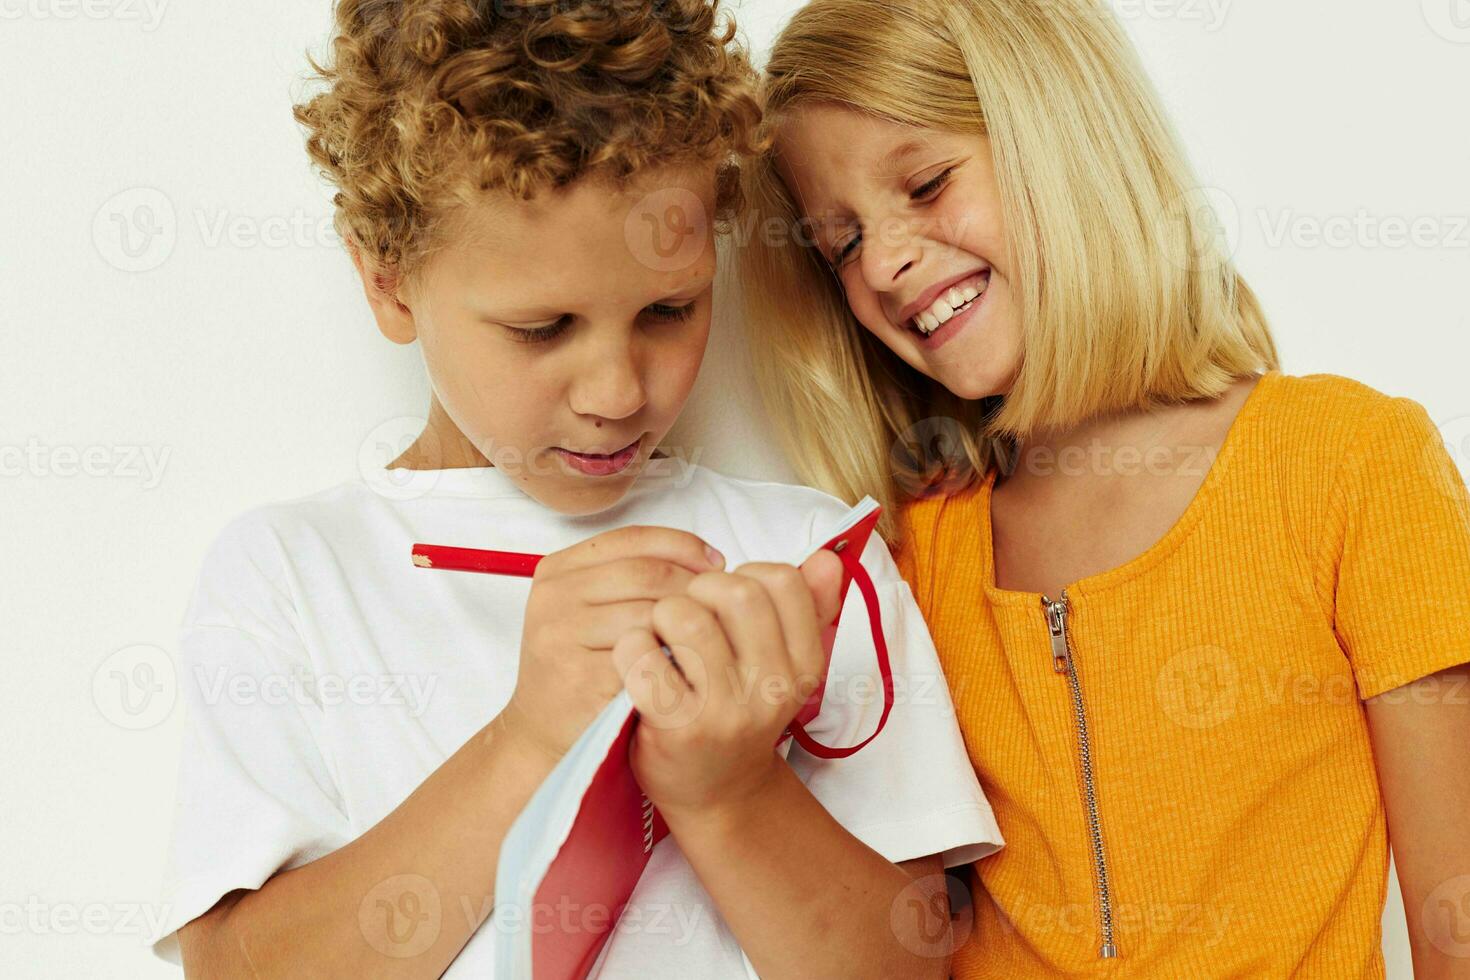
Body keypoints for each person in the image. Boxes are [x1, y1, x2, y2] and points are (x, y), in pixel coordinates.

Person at [145, 0, 1002, 976]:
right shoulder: (294, 574)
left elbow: (913, 963)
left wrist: (730, 792)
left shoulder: (809, 559)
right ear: (387, 284)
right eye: (542, 327)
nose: (617, 392)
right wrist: (526, 739)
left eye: (669, 309)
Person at [735, 0, 1470, 974]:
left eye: (925, 183)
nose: (885, 259)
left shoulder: (1351, 460)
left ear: (1059, 132)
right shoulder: (912, 555)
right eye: (841, 244)